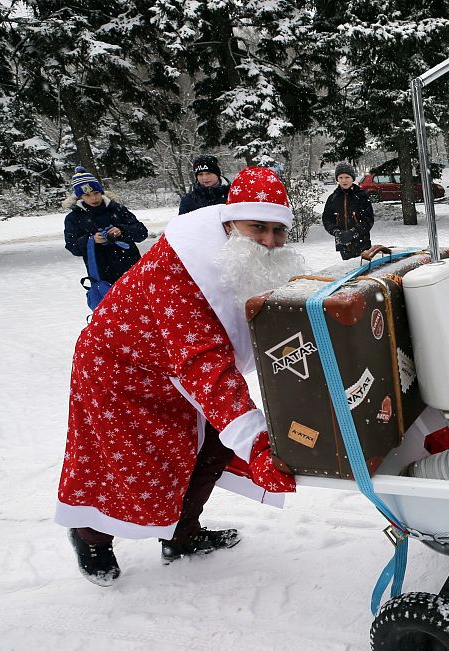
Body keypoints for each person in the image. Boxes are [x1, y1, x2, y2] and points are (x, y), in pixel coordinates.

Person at [56, 166, 305, 586]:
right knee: (132, 465)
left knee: (209, 449)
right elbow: (204, 363)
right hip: (120, 371)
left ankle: (181, 535)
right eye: (257, 227)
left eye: (278, 231)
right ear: (231, 221)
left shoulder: (239, 256)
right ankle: (90, 536)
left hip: (175, 370)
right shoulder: (181, 269)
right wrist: (259, 444)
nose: (268, 241)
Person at [63, 167, 148, 285]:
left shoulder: (117, 209)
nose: (93, 198)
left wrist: (122, 230)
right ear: (79, 197)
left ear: (101, 192)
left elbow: (142, 232)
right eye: (87, 195)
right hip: (101, 274)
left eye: (96, 193)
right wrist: (91, 240)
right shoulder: (73, 218)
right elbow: (72, 246)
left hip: (132, 268)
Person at [323, 163, 374, 260]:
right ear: (337, 179)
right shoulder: (333, 198)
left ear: (352, 178)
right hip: (343, 245)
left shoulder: (361, 196)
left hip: (362, 243)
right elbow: (327, 219)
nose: (344, 180)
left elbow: (368, 220)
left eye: (347, 177)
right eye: (340, 177)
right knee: (349, 271)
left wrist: (353, 232)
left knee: (363, 271)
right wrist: (336, 232)